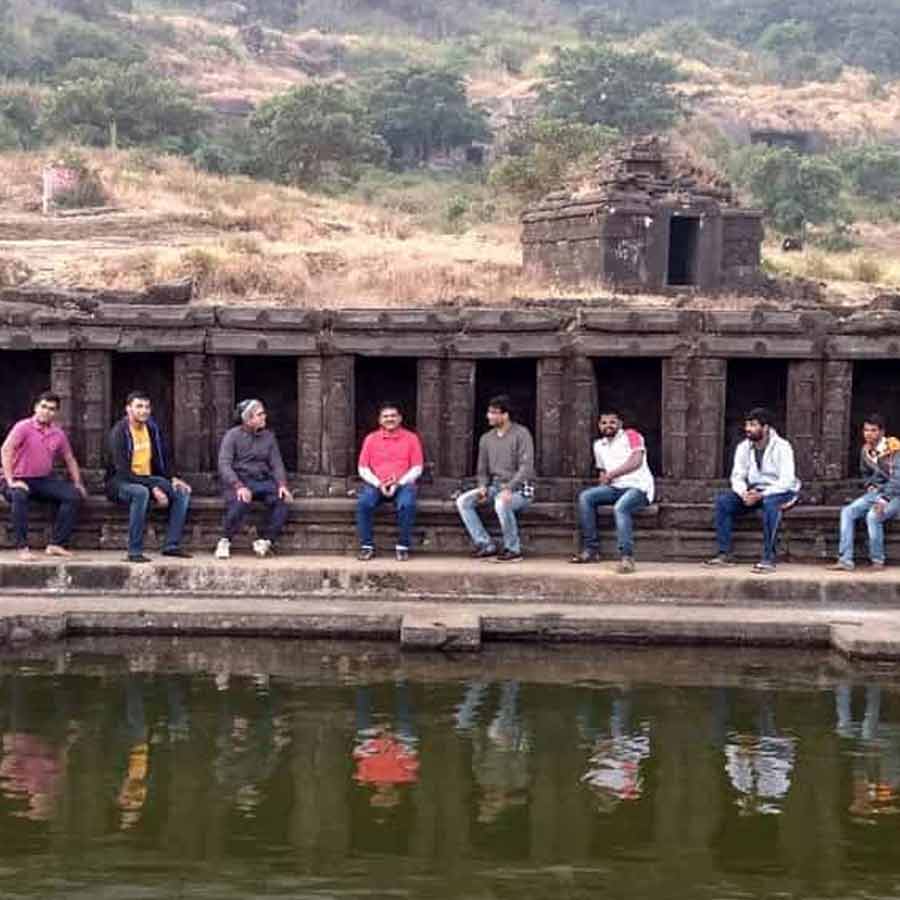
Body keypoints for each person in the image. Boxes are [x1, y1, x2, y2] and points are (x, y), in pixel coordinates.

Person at [705, 407, 800, 574]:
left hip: (781, 491)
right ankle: (724, 553)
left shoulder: (783, 446)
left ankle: (768, 558)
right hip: (754, 491)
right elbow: (737, 476)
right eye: (747, 425)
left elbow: (787, 480)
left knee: (771, 505)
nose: (748, 429)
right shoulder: (743, 447)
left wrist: (762, 495)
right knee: (723, 502)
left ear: (766, 428)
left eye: (753, 425)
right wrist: (744, 494)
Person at [105, 390, 192, 563]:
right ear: (128, 409)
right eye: (138, 406)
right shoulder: (119, 433)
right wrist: (152, 488)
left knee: (181, 492)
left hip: (147, 478)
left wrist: (172, 477)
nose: (143, 411)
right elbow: (123, 472)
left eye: (146, 407)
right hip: (120, 482)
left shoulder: (151, 428)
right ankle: (134, 551)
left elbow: (163, 456)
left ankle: (171, 545)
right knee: (140, 493)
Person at [0, 391, 86, 560]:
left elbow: (70, 458)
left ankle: (56, 544)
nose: (46, 411)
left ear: (56, 413)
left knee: (73, 495)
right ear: (36, 408)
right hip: (15, 478)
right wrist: (11, 481)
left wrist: (78, 483)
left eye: (51, 409)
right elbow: (5, 450)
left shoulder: (58, 434)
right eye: (43, 407)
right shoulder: (23, 427)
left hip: (40, 480)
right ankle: (22, 548)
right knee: (19, 494)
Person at [570, 409, 655, 573]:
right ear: (599, 426)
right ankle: (591, 549)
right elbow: (602, 471)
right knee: (586, 497)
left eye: (612, 422)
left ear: (620, 424)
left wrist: (612, 474)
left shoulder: (632, 435)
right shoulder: (598, 445)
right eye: (604, 423)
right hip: (614, 488)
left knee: (620, 508)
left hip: (638, 487)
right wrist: (603, 483)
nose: (608, 426)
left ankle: (626, 557)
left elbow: (636, 461)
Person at [455, 394, 535, 563]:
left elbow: (526, 467)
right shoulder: (486, 439)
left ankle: (513, 549)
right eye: (489, 412)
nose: (488, 416)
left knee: (501, 502)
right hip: (495, 486)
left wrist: (509, 488)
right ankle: (485, 544)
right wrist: (483, 486)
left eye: (493, 412)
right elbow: (482, 469)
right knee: (463, 501)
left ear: (505, 415)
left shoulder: (521, 434)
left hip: (521, 488)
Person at [215, 399, 292, 560]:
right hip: (239, 480)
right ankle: (225, 540)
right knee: (241, 501)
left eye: (263, 413)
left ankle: (266, 541)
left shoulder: (269, 437)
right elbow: (224, 464)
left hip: (261, 481)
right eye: (259, 414)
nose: (264, 417)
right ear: (248, 419)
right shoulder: (232, 436)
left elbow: (276, 463)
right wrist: (238, 485)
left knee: (283, 500)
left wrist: (282, 484)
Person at [830, 414, 900, 571]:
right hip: (877, 492)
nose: (868, 434)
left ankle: (877, 560)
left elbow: (897, 478)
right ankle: (845, 559)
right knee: (847, 512)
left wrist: (884, 499)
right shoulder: (865, 451)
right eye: (866, 430)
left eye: (873, 430)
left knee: (873, 515)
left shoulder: (894, 448)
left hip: (895, 494)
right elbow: (865, 472)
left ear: (882, 432)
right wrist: (870, 485)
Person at [356, 402, 424, 562]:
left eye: (393, 416)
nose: (390, 419)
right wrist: (379, 484)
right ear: (380, 420)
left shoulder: (411, 438)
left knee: (407, 504)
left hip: (403, 484)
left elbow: (417, 467)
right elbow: (363, 468)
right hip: (376, 484)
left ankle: (403, 546)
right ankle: (367, 546)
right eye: (386, 416)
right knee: (364, 502)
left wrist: (398, 483)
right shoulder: (371, 439)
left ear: (400, 418)